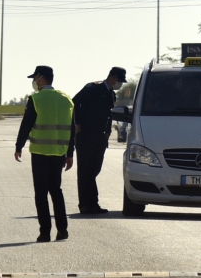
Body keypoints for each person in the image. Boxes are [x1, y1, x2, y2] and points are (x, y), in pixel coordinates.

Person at [14, 65, 75, 242]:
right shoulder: (66, 99)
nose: (34, 82)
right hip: (59, 153)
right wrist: (70, 153)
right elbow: (71, 129)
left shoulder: (36, 99)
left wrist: (19, 146)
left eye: (35, 78)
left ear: (42, 79)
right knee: (56, 190)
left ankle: (45, 232)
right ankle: (63, 230)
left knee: (41, 193)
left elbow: (27, 124)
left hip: (40, 152)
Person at [72, 66, 127, 214]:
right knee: (85, 171)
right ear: (113, 77)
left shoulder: (110, 94)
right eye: (119, 80)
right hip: (86, 135)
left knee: (94, 169)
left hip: (100, 137)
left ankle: (92, 203)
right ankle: (86, 204)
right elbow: (74, 103)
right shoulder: (92, 88)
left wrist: (108, 133)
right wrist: (77, 124)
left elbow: (108, 116)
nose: (119, 84)